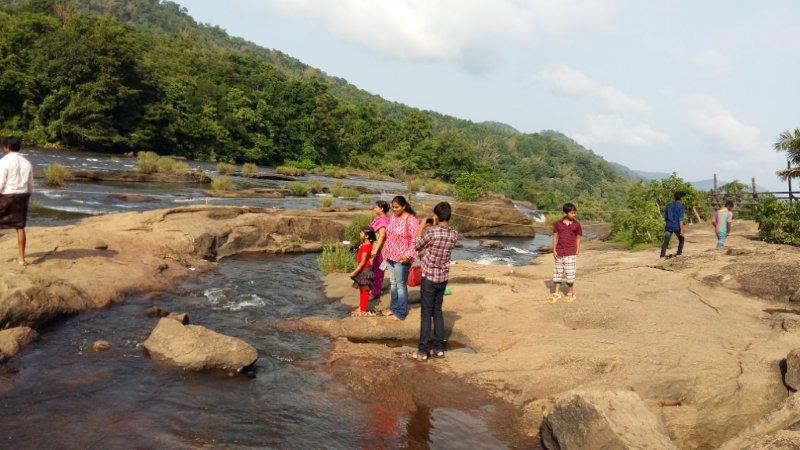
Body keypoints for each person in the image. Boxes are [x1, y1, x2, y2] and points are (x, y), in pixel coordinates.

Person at [408, 202, 459, 361]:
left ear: (436, 216)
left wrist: (421, 226)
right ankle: (438, 348)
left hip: (429, 277)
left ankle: (422, 351)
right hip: (442, 278)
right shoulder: (454, 234)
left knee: (426, 314)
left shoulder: (432, 232)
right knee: (438, 311)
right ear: (449, 216)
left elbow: (416, 246)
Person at [381, 195, 419, 321]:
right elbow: (389, 236)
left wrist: (408, 256)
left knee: (400, 285)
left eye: (397, 207)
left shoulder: (411, 220)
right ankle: (393, 308)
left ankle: (401, 312)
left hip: (402, 258)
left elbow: (415, 241)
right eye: (392, 207)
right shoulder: (393, 217)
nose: (394, 209)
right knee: (393, 284)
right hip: (390, 255)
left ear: (404, 206)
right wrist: (384, 251)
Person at [0, 137, 33, 266]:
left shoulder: (4, 161)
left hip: (7, 195)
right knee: (20, 227)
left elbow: (1, 182)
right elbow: (30, 185)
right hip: (22, 196)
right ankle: (21, 259)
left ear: (7, 147)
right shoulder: (27, 162)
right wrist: (27, 195)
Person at [549, 203, 582, 304]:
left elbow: (578, 237)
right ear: (566, 213)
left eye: (574, 213)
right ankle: (557, 293)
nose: (574, 215)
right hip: (559, 251)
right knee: (558, 273)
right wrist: (554, 250)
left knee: (570, 273)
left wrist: (577, 249)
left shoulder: (577, 224)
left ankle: (571, 293)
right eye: (572, 213)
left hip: (571, 252)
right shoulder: (558, 224)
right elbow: (555, 237)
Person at [349, 227, 376, 317]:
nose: (360, 234)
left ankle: (363, 310)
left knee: (365, 291)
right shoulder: (365, 245)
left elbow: (363, 262)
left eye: (361, 233)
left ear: (367, 236)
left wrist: (355, 272)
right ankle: (361, 308)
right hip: (363, 270)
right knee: (362, 290)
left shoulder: (366, 247)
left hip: (365, 270)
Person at [369, 200, 390, 300]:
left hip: (379, 249)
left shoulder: (383, 221)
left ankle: (375, 293)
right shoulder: (378, 219)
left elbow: (381, 237)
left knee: (378, 272)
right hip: (374, 247)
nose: (374, 208)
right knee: (373, 270)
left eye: (376, 207)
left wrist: (375, 251)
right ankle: (372, 289)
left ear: (381, 209)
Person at [660, 192, 686, 258]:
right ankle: (679, 253)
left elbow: (665, 217)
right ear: (681, 198)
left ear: (674, 197)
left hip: (669, 226)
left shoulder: (668, 205)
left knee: (666, 241)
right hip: (677, 226)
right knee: (681, 240)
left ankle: (662, 255)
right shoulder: (681, 206)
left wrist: (668, 223)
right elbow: (680, 219)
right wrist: (682, 230)